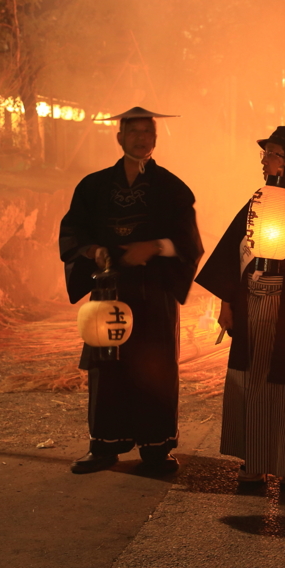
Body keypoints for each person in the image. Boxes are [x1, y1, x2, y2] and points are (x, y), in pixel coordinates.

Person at [195, 126, 285, 486]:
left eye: (272, 153)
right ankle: (253, 459)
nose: (264, 160)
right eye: (265, 153)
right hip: (251, 305)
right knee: (251, 381)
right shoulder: (258, 203)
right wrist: (228, 300)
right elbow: (234, 253)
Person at [59, 107, 203, 475]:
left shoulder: (172, 188)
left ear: (155, 138)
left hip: (153, 293)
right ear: (119, 137)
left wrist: (155, 247)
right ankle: (104, 446)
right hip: (110, 291)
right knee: (107, 369)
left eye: (147, 133)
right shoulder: (93, 187)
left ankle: (156, 449)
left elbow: (189, 244)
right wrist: (93, 251)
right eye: (133, 132)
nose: (141, 138)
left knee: (155, 368)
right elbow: (74, 230)